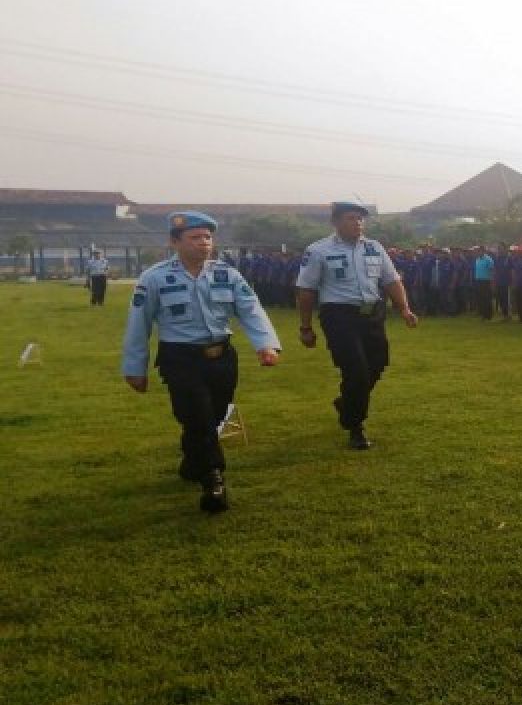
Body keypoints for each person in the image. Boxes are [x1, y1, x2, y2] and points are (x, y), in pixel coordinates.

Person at [121, 211, 281, 513]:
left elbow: (250, 309)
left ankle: (191, 461)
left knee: (213, 416)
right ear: (174, 242)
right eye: (195, 238)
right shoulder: (154, 278)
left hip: (222, 357)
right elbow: (138, 324)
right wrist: (134, 368)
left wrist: (266, 345)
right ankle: (213, 479)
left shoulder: (227, 274)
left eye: (207, 237)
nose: (203, 243)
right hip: (180, 359)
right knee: (199, 416)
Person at [295, 201, 418, 449]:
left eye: (361, 219)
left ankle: (347, 401)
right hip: (339, 316)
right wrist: (305, 327)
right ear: (336, 222)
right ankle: (355, 426)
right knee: (357, 371)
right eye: (351, 218)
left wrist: (404, 308)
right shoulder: (319, 250)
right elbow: (306, 290)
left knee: (378, 363)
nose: (358, 223)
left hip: (373, 314)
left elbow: (391, 280)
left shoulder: (374, 248)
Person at [472, 245, 495, 321]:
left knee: (487, 298)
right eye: (478, 251)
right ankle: (482, 313)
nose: (478, 252)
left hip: (486, 281)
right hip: (478, 280)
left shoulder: (488, 259)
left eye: (480, 251)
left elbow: (492, 271)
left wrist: (492, 282)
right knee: (480, 298)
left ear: (483, 251)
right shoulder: (477, 259)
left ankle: (488, 315)